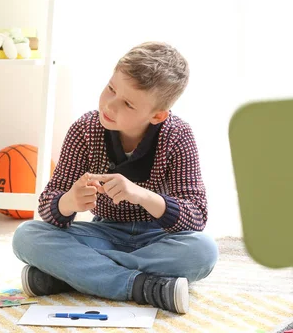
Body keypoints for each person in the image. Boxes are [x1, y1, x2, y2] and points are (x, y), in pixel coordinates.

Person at [12, 42, 219, 314]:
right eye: (111, 88)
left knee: (203, 252)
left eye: (128, 103)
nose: (110, 104)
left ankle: (73, 274)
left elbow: (196, 216)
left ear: (157, 115)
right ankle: (141, 286)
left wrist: (141, 195)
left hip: (157, 239)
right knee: (26, 236)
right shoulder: (85, 130)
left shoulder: (177, 135)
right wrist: (70, 202)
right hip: (103, 232)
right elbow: (49, 205)